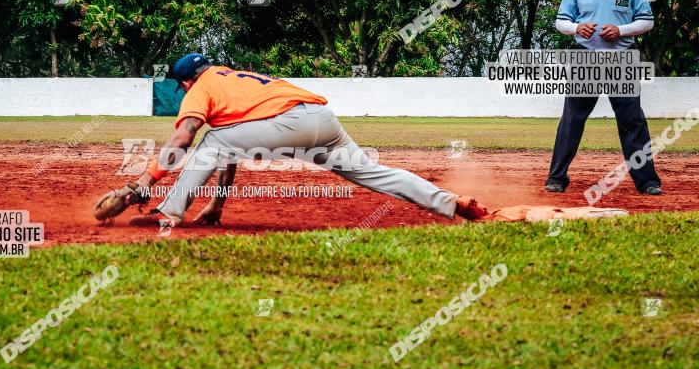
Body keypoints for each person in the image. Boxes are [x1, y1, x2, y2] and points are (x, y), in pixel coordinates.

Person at [92, 53, 489, 227]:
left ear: (184, 82)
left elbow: (185, 136)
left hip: (286, 124)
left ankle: (171, 211)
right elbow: (233, 146)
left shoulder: (200, 88)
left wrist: (147, 180)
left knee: (210, 141)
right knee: (372, 172)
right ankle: (448, 203)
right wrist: (217, 203)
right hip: (321, 119)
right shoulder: (231, 77)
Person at [547, 0, 661, 195]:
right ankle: (556, 178)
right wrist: (577, 28)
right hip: (585, 60)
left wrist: (620, 31)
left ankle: (647, 182)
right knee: (571, 120)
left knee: (632, 122)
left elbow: (647, 21)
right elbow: (561, 21)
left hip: (621, 61)